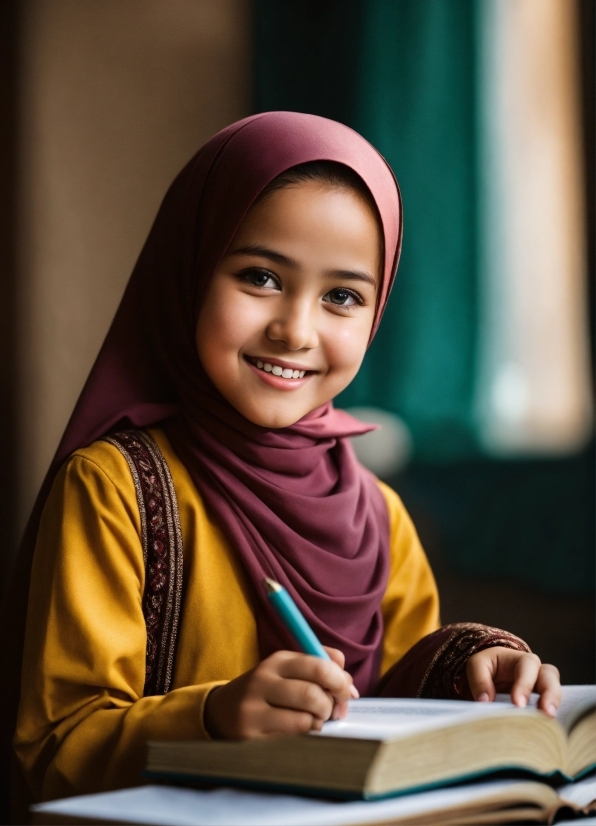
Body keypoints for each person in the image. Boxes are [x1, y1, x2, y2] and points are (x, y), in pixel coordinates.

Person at [4, 113, 560, 813]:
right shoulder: (118, 489)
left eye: (342, 297)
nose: (295, 330)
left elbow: (393, 708)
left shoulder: (378, 517)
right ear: (189, 271)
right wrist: (212, 718)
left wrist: (467, 671)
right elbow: (54, 746)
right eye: (260, 276)